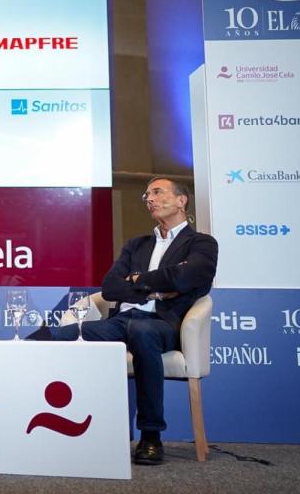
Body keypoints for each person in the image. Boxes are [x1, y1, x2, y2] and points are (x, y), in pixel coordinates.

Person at [30, 177, 218, 465]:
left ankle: (151, 435)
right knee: (55, 336)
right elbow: (110, 288)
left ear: (182, 200)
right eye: (147, 194)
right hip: (121, 321)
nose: (149, 198)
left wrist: (138, 280)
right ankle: (20, 412)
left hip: (164, 324)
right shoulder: (137, 245)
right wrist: (156, 288)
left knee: (142, 331)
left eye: (157, 192)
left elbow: (190, 276)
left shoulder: (202, 244)